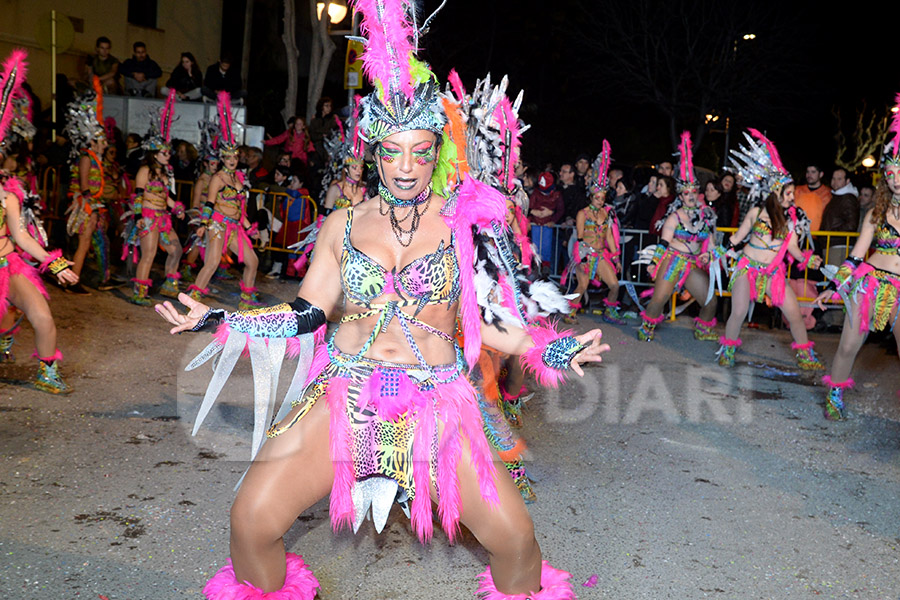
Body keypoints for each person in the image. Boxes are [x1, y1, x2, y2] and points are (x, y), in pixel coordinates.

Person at [156, 5, 607, 597]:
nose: (406, 166)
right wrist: (219, 317)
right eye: (393, 151)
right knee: (251, 520)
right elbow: (308, 312)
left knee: (516, 540)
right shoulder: (342, 224)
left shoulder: (461, 225)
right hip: (345, 394)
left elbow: (484, 322)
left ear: (436, 152)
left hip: (435, 402)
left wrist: (545, 348)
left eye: (421, 152)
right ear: (373, 151)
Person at [0, 50, 79, 393]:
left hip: (8, 264)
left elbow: (20, 235)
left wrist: (54, 262)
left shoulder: (8, 194)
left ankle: (47, 373)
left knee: (43, 318)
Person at [717, 129, 825, 369]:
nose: (792, 198)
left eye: (792, 193)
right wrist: (718, 253)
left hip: (773, 273)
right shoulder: (756, 213)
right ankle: (728, 348)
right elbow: (736, 239)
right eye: (788, 193)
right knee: (739, 311)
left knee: (794, 312)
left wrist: (809, 260)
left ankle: (806, 356)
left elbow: (795, 251)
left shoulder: (791, 221)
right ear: (776, 194)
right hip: (747, 268)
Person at [816, 114, 900, 421]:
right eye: (891, 174)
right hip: (871, 282)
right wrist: (832, 287)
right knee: (849, 345)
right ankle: (835, 393)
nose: (896, 179)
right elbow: (854, 258)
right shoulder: (876, 213)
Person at [637, 133, 719, 342]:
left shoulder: (706, 216)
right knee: (659, 299)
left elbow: (710, 242)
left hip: (692, 264)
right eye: (686, 193)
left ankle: (702, 329)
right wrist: (654, 263)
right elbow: (663, 242)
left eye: (694, 192)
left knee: (710, 301)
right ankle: (647, 327)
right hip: (672, 260)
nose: (690, 196)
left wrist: (708, 255)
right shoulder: (674, 216)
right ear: (680, 195)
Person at [186, 92, 261, 310]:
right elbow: (209, 204)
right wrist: (202, 226)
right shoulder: (217, 178)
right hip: (217, 225)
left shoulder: (238, 178)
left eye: (235, 157)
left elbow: (240, 208)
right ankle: (193, 300)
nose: (232, 160)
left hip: (235, 227)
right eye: (229, 157)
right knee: (211, 263)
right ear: (222, 158)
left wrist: (250, 228)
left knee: (252, 261)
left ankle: (246, 299)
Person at [129, 91, 184, 304]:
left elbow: (165, 197)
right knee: (149, 254)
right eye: (164, 152)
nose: (168, 155)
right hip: (148, 216)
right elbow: (138, 196)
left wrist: (176, 207)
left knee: (175, 248)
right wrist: (137, 218)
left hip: (163, 217)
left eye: (168, 152)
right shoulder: (144, 171)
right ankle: (139, 292)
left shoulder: (165, 172)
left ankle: (170, 284)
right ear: (154, 153)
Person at [561, 141, 625, 324]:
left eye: (603, 197)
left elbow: (609, 236)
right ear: (591, 196)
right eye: (597, 197)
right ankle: (569, 313)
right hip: (585, 253)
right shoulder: (583, 213)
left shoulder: (607, 213)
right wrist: (582, 257)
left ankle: (610, 312)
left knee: (614, 285)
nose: (600, 200)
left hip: (601, 254)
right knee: (582, 284)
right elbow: (579, 237)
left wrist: (615, 258)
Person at [63, 78, 109, 295]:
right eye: (103, 141)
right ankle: (72, 281)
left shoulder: (95, 158)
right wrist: (89, 206)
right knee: (82, 243)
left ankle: (75, 279)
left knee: (86, 243)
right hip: (85, 205)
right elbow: (83, 185)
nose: (106, 144)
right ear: (92, 141)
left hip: (92, 205)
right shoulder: (86, 157)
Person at [793, 162, 831, 232]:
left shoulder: (828, 193)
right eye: (808, 172)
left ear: (821, 174)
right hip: (797, 234)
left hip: (818, 237)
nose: (809, 175)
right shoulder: (797, 190)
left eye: (813, 172)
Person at [820, 167, 860, 232]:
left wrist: (832, 233)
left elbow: (851, 225)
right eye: (833, 178)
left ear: (847, 181)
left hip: (838, 241)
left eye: (839, 179)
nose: (835, 182)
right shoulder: (838, 196)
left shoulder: (848, 199)